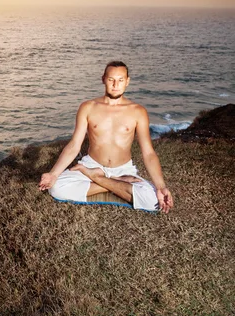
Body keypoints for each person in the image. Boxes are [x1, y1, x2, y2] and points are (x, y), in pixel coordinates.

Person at [38, 61, 174, 213]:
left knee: (154, 201)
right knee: (56, 188)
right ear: (103, 79)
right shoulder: (88, 107)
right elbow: (74, 145)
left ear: (127, 81)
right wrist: (53, 174)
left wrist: (161, 186)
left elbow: (148, 153)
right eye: (111, 79)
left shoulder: (138, 111)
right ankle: (114, 183)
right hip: (92, 164)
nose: (116, 84)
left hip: (124, 170)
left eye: (120, 80)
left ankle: (99, 178)